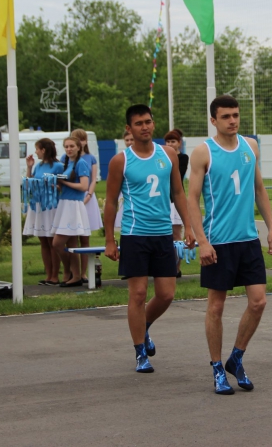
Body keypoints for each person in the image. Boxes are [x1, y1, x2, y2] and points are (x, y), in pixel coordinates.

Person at [187, 95, 272, 395]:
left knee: (259, 301)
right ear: (213, 120)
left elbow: (259, 188)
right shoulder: (203, 153)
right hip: (218, 242)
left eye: (236, 115)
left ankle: (236, 358)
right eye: (226, 116)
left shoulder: (250, 146)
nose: (233, 120)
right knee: (216, 306)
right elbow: (191, 199)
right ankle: (217, 369)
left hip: (248, 239)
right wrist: (202, 241)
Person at [104, 104, 195, 373]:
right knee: (139, 293)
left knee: (166, 294)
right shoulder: (121, 160)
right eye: (139, 123)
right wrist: (110, 239)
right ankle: (140, 352)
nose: (145, 127)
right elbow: (110, 201)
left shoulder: (168, 154)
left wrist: (188, 227)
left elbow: (178, 193)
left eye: (148, 122)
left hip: (163, 234)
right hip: (134, 234)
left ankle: (143, 326)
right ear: (129, 129)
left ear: (153, 124)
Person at [24, 138, 65, 285]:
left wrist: (54, 185)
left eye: (37, 149)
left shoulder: (59, 166)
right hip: (38, 204)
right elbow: (30, 182)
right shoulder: (39, 166)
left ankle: (55, 275)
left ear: (44, 150)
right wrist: (29, 167)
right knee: (43, 240)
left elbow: (63, 185)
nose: (35, 152)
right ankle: (48, 274)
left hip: (51, 205)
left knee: (51, 240)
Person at [51, 137, 91, 287]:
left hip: (73, 205)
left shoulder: (81, 163)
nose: (69, 149)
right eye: (66, 146)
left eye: (72, 146)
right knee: (72, 243)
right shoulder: (67, 163)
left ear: (78, 147)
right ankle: (74, 275)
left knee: (57, 242)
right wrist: (56, 185)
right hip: (64, 203)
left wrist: (64, 182)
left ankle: (69, 271)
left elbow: (83, 186)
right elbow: (66, 186)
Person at [71, 129, 100, 280]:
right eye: (77, 139)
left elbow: (94, 178)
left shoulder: (91, 158)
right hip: (73, 198)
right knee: (72, 236)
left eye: (82, 139)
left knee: (85, 237)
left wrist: (89, 194)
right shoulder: (67, 158)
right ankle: (73, 272)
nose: (81, 142)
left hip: (88, 197)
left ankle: (84, 273)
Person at [164, 129, 189, 278]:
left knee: (176, 235)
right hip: (163, 199)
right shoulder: (162, 157)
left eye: (173, 141)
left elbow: (177, 175)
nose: (170, 144)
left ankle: (177, 267)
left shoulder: (183, 158)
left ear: (179, 143)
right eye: (168, 141)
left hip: (175, 201)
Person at [114, 130, 133, 231]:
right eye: (127, 140)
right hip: (125, 192)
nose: (129, 142)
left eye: (131, 139)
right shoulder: (122, 157)